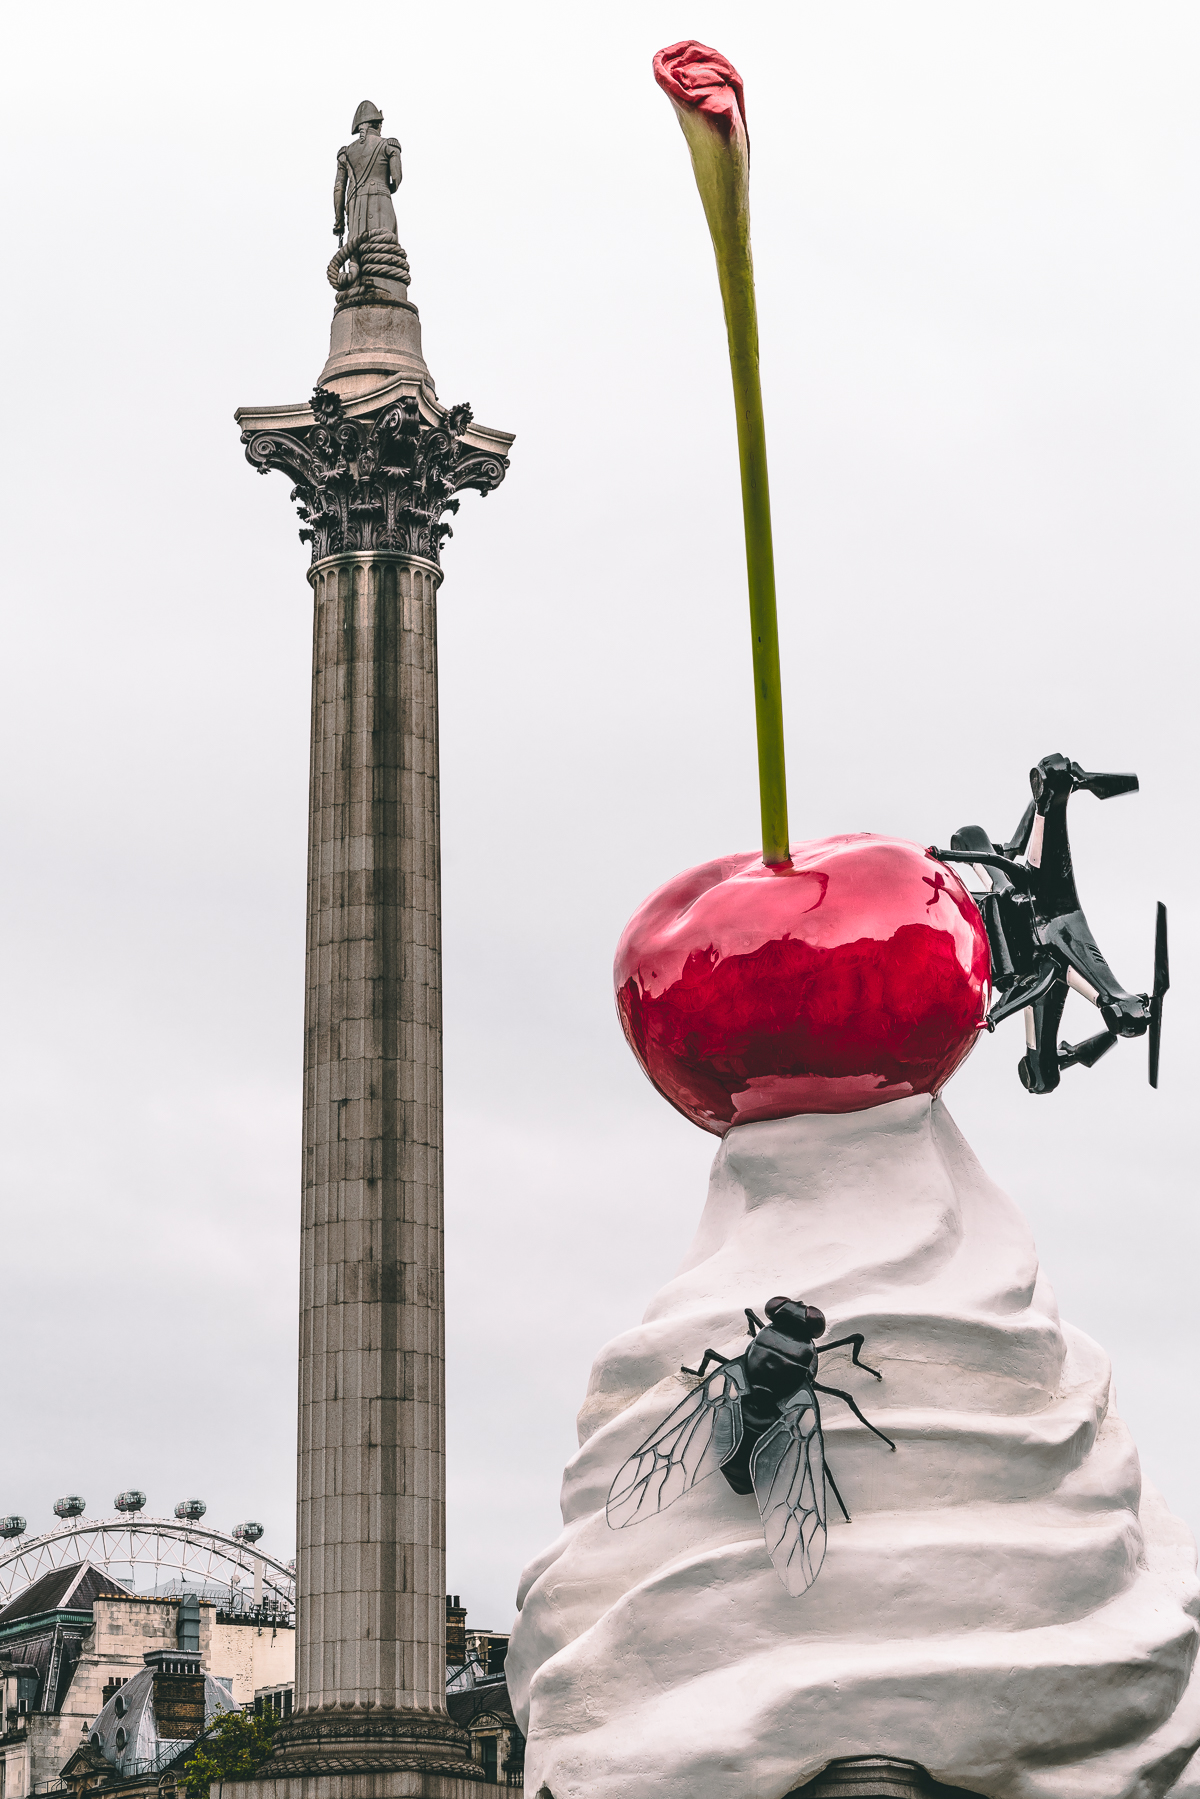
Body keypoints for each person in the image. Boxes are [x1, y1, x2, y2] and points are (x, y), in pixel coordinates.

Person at [333, 101, 402, 244]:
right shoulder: (389, 145)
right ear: (376, 124)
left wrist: (339, 222)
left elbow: (338, 189)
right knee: (385, 246)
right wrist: (390, 187)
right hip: (381, 202)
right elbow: (396, 178)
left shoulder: (345, 153)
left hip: (354, 207)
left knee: (356, 250)